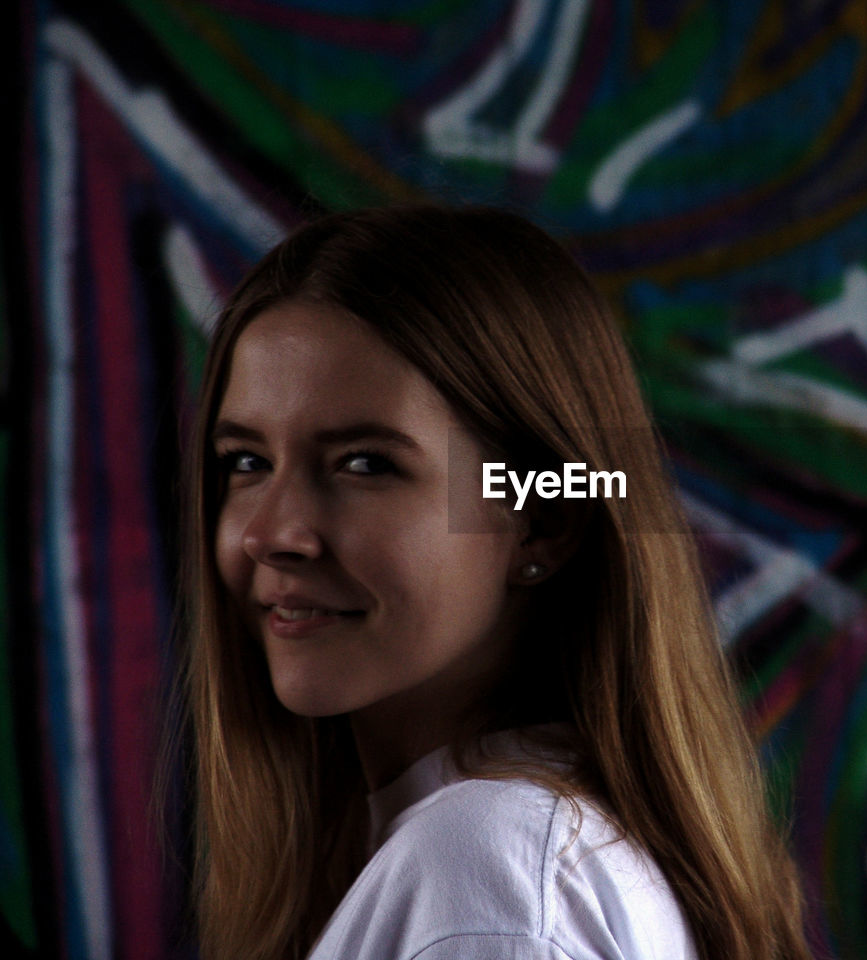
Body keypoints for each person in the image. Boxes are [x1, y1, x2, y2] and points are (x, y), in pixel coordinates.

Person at [180, 204, 811, 960]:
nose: (272, 534)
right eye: (247, 463)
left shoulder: (486, 874)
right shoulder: (542, 852)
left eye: (365, 464)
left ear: (542, 523)